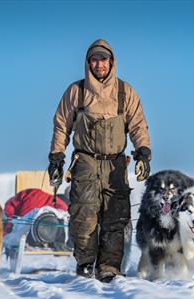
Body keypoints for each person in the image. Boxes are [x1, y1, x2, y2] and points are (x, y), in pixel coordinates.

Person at [47, 39, 151, 282]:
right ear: (88, 63)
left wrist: (143, 153)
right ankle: (85, 263)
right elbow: (61, 125)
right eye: (94, 59)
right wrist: (56, 157)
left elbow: (137, 125)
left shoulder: (126, 92)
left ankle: (109, 268)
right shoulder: (77, 91)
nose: (99, 64)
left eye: (103, 59)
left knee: (116, 216)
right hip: (85, 161)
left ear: (111, 62)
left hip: (116, 164)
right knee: (84, 215)